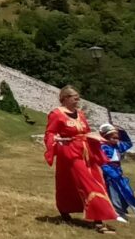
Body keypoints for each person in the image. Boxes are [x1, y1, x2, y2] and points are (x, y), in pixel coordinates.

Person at [44, 85, 117, 234]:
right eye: (74, 97)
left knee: (72, 183)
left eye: (78, 97)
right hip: (70, 153)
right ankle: (99, 221)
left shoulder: (81, 114)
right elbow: (50, 133)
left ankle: (65, 211)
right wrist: (58, 139)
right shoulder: (56, 114)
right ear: (65, 98)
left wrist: (104, 140)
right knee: (89, 183)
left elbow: (87, 133)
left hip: (86, 152)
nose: (77, 100)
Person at [98, 124, 135, 222]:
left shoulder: (117, 146)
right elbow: (102, 162)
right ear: (106, 138)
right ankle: (118, 212)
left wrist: (121, 131)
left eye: (117, 138)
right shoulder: (103, 147)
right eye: (114, 138)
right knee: (114, 194)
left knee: (128, 192)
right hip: (110, 175)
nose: (116, 140)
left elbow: (128, 143)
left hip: (118, 173)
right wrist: (111, 174)